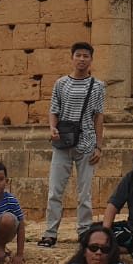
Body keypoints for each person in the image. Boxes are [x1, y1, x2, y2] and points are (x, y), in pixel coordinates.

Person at [39, 41, 107, 248]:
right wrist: (52, 128)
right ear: (72, 57)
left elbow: (98, 117)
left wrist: (98, 146)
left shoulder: (98, 86)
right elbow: (54, 109)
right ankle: (50, 232)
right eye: (78, 55)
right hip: (62, 143)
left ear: (91, 59)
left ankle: (85, 231)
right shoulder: (61, 83)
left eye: (86, 56)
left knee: (84, 193)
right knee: (54, 191)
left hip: (86, 143)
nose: (82, 59)